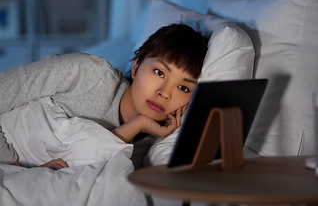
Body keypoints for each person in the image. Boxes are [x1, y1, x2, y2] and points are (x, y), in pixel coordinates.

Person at [0, 24, 208, 170]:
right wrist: (17, 168)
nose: (165, 92)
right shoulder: (86, 73)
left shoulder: (151, 150)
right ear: (136, 67)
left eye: (183, 87)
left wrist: (138, 124)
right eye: (159, 73)